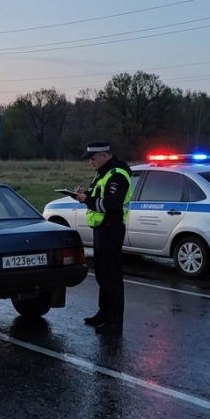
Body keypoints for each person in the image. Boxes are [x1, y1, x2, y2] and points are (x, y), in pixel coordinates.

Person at [74, 141, 132, 335]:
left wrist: (87, 200)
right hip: (101, 228)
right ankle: (104, 313)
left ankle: (114, 320)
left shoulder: (117, 174)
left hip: (111, 228)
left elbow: (111, 203)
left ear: (104, 156)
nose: (91, 162)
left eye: (93, 158)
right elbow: (98, 195)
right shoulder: (103, 173)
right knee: (102, 274)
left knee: (112, 276)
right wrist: (83, 195)